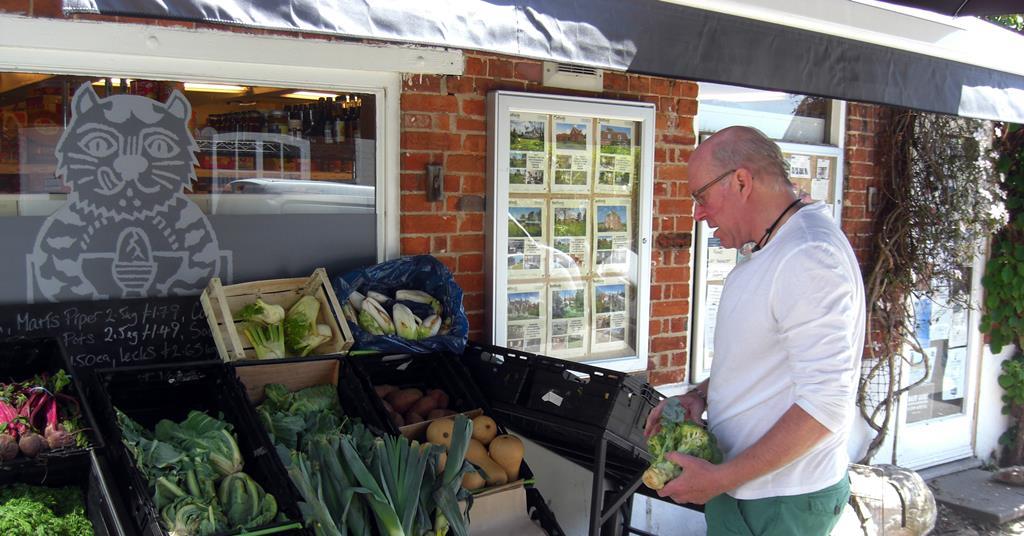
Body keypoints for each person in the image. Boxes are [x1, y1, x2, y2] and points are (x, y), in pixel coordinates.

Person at [644, 126, 865, 535]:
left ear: (742, 182)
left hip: (780, 502)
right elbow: (764, 359)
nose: (698, 214)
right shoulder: (775, 244)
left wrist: (719, 479)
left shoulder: (807, 256)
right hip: (753, 493)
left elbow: (826, 405)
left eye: (701, 196)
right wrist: (700, 396)